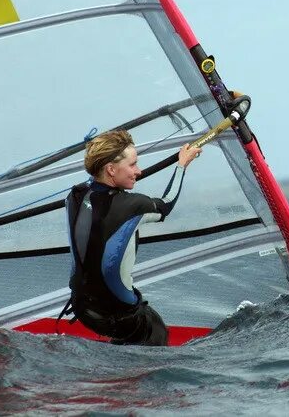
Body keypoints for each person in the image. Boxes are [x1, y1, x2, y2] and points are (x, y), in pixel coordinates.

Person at [63, 129, 201, 346]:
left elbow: (95, 189)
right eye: (133, 164)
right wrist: (182, 164)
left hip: (82, 309)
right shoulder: (132, 206)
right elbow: (165, 204)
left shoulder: (74, 196)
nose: (139, 171)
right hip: (119, 315)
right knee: (156, 332)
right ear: (110, 169)